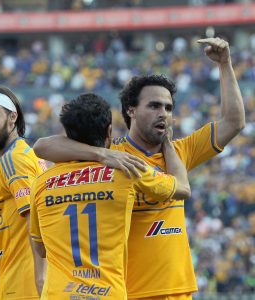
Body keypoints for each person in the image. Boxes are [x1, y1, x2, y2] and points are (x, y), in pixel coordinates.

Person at [33, 37, 245, 299]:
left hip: (177, 290)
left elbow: (234, 122)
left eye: (168, 108)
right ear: (131, 110)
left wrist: (225, 64)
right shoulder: (116, 158)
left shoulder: (179, 153)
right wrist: (100, 154)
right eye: (154, 106)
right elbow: (43, 146)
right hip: (130, 290)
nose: (164, 114)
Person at [29, 93, 191, 300]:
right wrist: (167, 142)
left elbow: (40, 248)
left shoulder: (42, 183)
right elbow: (182, 188)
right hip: (107, 294)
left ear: (67, 135)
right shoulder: (127, 170)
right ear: (109, 132)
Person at [0, 86, 46, 300]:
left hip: (24, 285)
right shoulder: (25, 154)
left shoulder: (13, 159)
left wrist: (40, 277)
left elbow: (35, 216)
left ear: (12, 117)